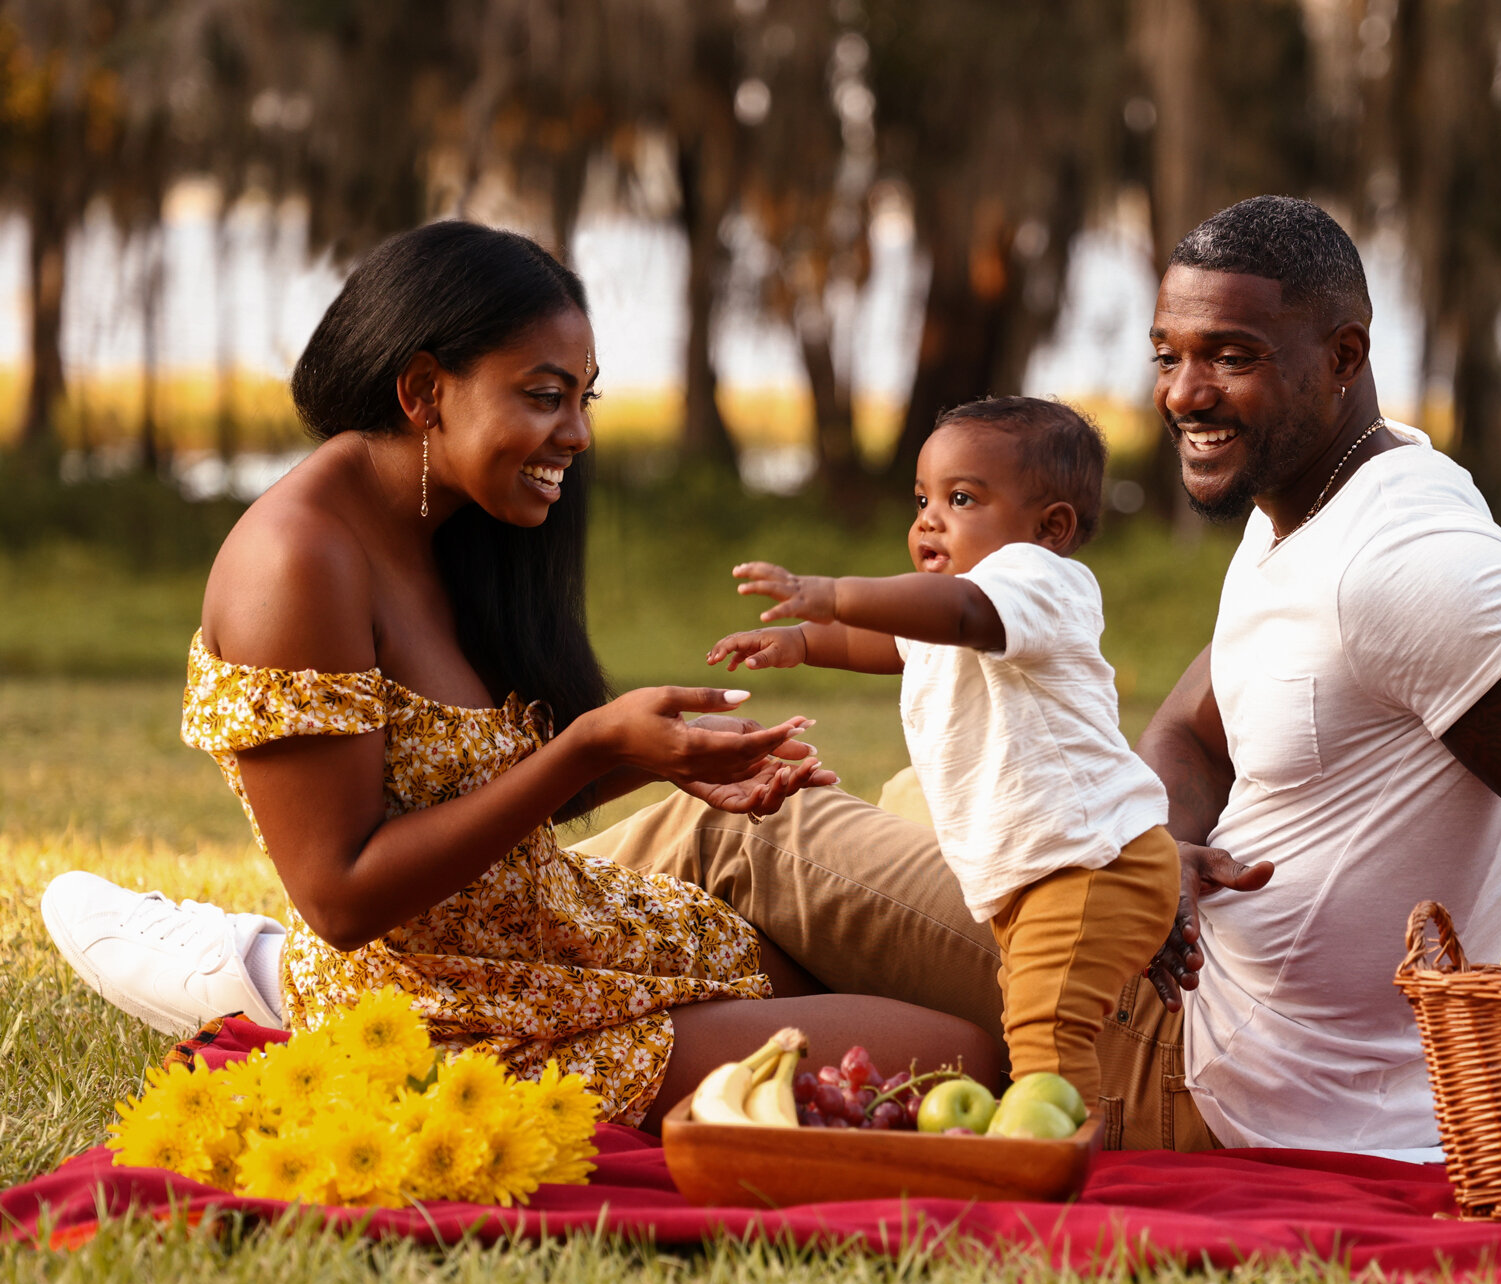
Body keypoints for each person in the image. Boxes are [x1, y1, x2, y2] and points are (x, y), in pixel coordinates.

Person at [51, 197, 1501, 1154]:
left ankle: (313, 982)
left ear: (1344, 359)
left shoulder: (1405, 552)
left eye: (1238, 357)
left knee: (762, 837)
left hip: (1188, 1050)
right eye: (1174, 355)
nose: (1192, 393)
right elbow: (1193, 724)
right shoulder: (1322, 516)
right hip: (1167, 969)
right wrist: (1151, 854)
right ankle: (348, 977)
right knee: (821, 819)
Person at [40, 221, 1001, 1129]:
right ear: (424, 393)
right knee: (962, 1057)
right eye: (544, 396)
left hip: (544, 942)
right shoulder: (295, 564)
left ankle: (249, 967)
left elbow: (480, 781)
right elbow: (339, 895)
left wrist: (660, 758)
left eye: (585, 397)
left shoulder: (451, 527)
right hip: (451, 1019)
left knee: (863, 989)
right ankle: (259, 975)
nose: (577, 433)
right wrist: (589, 744)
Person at [702, 396, 1177, 1108]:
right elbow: (891, 641)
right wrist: (802, 643)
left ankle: (1057, 1161)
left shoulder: (1036, 583)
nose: (928, 519)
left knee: (1045, 1030)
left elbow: (955, 613)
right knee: (1034, 1018)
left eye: (960, 499)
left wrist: (828, 594)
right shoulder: (951, 610)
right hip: (1032, 874)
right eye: (921, 498)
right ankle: (1047, 1133)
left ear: (1051, 528)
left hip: (1092, 864)